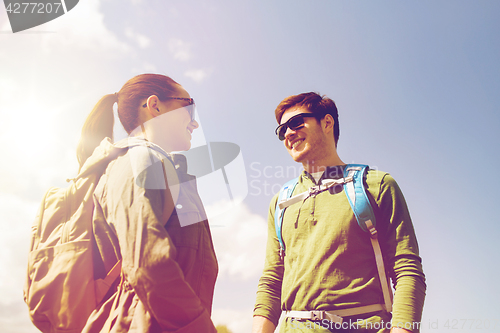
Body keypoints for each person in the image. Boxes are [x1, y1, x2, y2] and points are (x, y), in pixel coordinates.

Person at [252, 92, 426, 333]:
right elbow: (272, 280)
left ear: (327, 123)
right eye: (282, 131)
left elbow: (407, 269)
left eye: (296, 123)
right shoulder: (280, 202)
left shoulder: (376, 185)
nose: (288, 134)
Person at [77, 74, 218, 332]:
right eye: (189, 107)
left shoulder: (158, 164)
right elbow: (146, 262)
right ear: (155, 106)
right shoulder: (140, 159)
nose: (195, 123)